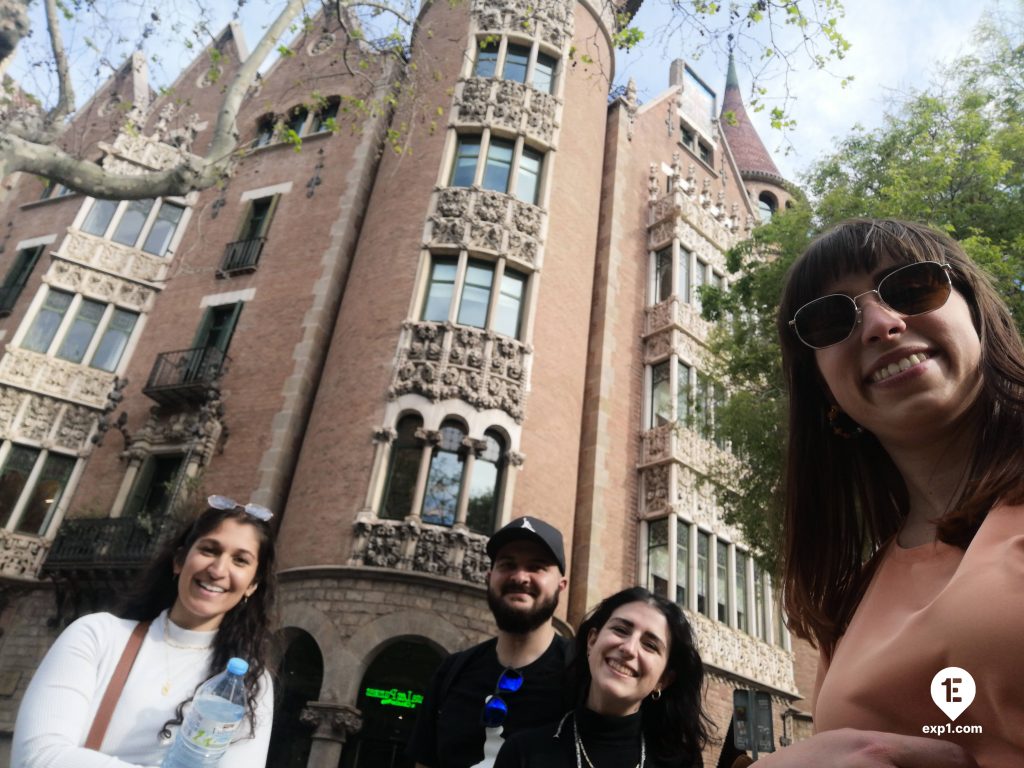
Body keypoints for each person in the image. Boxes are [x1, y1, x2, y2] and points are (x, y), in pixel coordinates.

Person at [762, 218, 1024, 766]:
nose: (881, 325)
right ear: (823, 389)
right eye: (831, 320)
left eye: (912, 286)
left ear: (976, 312)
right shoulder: (848, 604)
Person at [12, 495, 277, 768]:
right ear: (179, 561)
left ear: (252, 585)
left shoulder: (251, 684)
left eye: (240, 560)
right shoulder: (98, 636)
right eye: (209, 550)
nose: (218, 570)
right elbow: (36, 758)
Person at [408, 516, 571, 768]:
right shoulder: (452, 673)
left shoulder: (581, 674)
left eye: (537, 567)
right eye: (507, 564)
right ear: (489, 577)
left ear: (561, 586)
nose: (520, 577)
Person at [493, 586, 711, 768]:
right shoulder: (524, 752)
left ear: (663, 679)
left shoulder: (681, 762)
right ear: (592, 641)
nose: (629, 649)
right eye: (621, 630)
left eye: (650, 645)